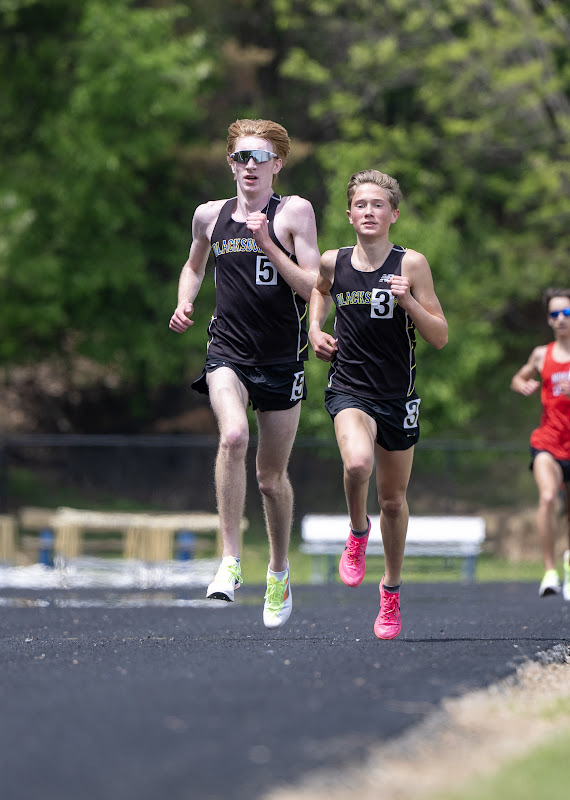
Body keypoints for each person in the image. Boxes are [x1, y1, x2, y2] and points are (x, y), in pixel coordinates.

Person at [169, 119, 320, 628]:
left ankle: (278, 570)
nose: (249, 166)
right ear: (230, 163)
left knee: (270, 480)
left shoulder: (293, 211)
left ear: (277, 164)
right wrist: (185, 300)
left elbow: (312, 287)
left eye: (259, 157)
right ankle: (231, 560)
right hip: (227, 350)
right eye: (240, 157)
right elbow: (194, 265)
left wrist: (269, 246)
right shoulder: (209, 216)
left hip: (281, 358)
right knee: (233, 434)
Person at [308, 169, 448, 639]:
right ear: (349, 215)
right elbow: (319, 291)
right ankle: (355, 531)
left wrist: (409, 304)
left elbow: (440, 337)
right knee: (356, 465)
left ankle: (390, 591)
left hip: (398, 397)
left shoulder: (411, 265)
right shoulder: (333, 261)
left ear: (394, 214)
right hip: (349, 387)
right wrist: (314, 331)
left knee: (392, 500)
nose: (369, 212)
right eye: (361, 205)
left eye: (378, 205)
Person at [510, 288, 570, 600]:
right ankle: (549, 570)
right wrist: (523, 384)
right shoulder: (540, 354)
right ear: (548, 319)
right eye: (555, 314)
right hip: (548, 441)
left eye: (567, 313)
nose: (561, 319)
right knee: (547, 498)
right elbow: (517, 378)